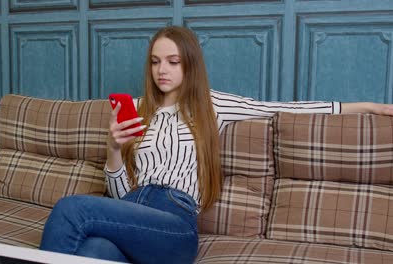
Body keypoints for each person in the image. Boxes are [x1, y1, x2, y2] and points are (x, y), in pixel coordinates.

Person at [39, 26, 393, 263]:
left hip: (173, 222)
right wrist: (114, 149)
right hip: (133, 211)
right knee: (93, 250)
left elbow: (282, 108)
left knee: (71, 209)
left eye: (173, 61)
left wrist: (369, 106)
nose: (163, 70)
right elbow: (119, 198)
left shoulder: (210, 105)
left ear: (189, 64)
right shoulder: (137, 110)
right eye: (155, 62)